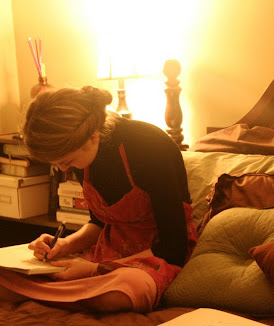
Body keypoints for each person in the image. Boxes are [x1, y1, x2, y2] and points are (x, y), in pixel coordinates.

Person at [0, 86, 198, 313]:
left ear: (93, 137)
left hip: (153, 257)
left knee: (125, 290)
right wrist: (65, 244)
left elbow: (174, 248)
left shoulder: (149, 145)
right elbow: (98, 223)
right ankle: (70, 295)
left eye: (66, 161)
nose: (63, 169)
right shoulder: (81, 152)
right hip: (105, 252)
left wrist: (93, 270)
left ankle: (46, 294)